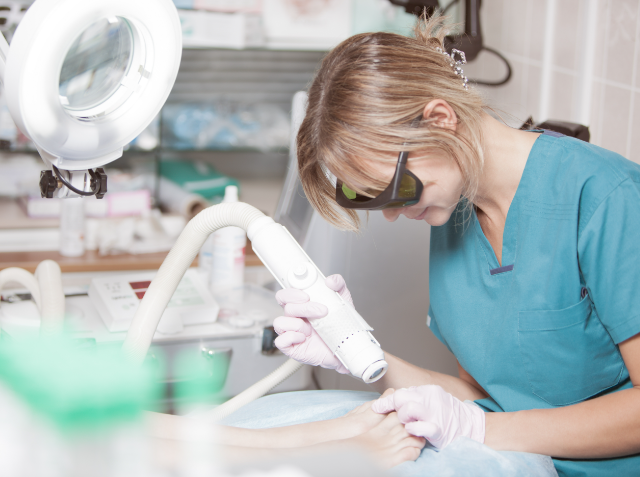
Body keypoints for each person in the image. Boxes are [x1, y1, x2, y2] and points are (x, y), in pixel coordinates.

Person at [272, 14, 640, 477]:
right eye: (369, 199)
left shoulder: (606, 197)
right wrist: (360, 353)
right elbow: (484, 399)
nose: (390, 214)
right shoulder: (454, 213)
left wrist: (479, 430)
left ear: (441, 121)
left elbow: (483, 421)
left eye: (393, 190)